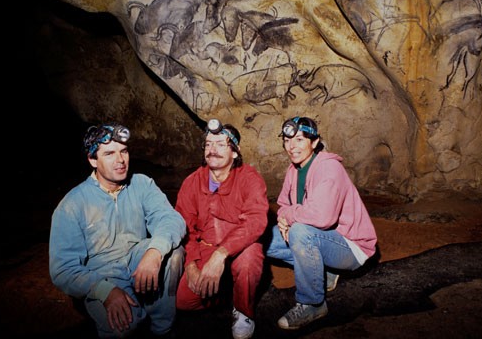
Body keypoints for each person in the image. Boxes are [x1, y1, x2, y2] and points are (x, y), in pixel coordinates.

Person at [49, 123, 187, 338]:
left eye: (123, 151)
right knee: (124, 328)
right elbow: (63, 269)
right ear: (92, 160)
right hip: (102, 275)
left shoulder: (141, 184)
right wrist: (104, 291)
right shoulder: (73, 204)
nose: (120, 160)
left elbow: (170, 219)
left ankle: (162, 329)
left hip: (137, 260)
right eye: (109, 154)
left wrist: (154, 252)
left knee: (174, 253)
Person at [266, 116, 378, 330]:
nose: (292, 146)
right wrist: (283, 218)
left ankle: (312, 303)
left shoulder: (329, 168)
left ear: (314, 142)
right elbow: (282, 204)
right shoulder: (293, 170)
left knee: (300, 232)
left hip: (351, 246)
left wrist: (289, 217)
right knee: (265, 240)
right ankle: (324, 272)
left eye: (299, 139)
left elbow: (321, 218)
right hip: (322, 239)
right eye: (288, 141)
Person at [175, 118, 269, 339]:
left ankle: (244, 310)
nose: (212, 150)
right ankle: (227, 289)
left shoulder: (249, 179)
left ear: (235, 152)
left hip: (238, 248)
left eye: (220, 144)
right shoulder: (192, 182)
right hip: (206, 248)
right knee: (184, 301)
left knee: (249, 257)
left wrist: (221, 255)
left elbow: (255, 222)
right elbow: (184, 229)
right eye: (208, 144)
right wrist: (191, 266)